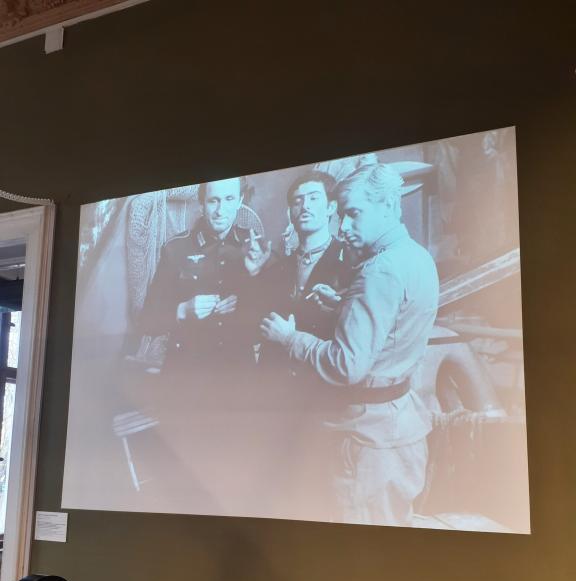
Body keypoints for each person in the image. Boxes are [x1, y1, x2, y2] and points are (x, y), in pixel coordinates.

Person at [261, 163, 439, 527]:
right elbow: (395, 325)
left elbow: (346, 366)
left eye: (354, 213)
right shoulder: (416, 256)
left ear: (388, 205)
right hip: (399, 427)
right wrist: (345, 304)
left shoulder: (378, 271)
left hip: (368, 441)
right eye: (341, 214)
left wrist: (290, 338)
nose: (342, 226)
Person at [139, 176, 271, 405]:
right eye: (213, 201)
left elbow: (271, 316)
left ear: (240, 200)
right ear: (202, 203)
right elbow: (147, 320)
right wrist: (182, 311)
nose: (220, 210)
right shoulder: (175, 248)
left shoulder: (255, 246)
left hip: (239, 379)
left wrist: (253, 278)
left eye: (229, 199)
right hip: (187, 379)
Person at [258, 170, 351, 406]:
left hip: (324, 393)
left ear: (331, 207)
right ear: (290, 212)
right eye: (297, 201)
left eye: (314, 198)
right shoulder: (276, 269)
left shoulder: (349, 262)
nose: (305, 206)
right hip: (277, 394)